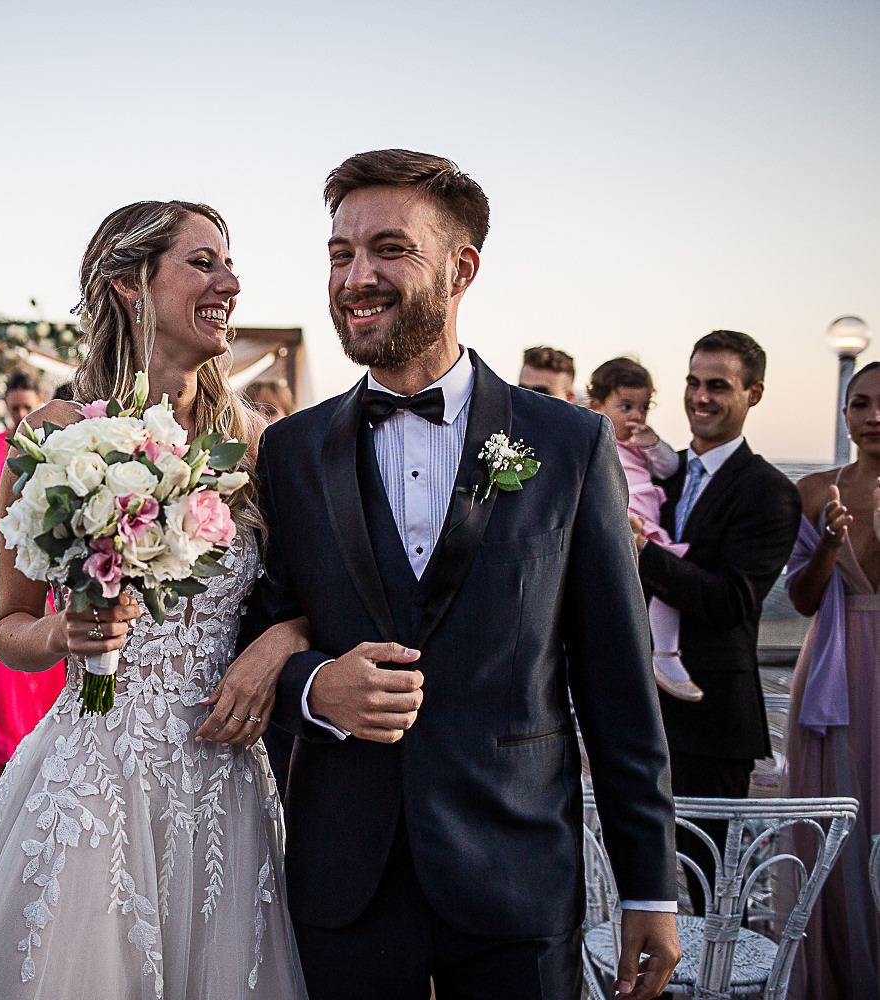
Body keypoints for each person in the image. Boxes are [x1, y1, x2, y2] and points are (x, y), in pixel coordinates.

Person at [244, 150, 679, 1000]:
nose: (355, 277)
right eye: (339, 253)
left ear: (461, 267)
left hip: (516, 873)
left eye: (388, 250)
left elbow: (618, 683)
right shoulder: (293, 451)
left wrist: (649, 887)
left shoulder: (568, 444)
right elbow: (260, 625)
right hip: (346, 880)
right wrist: (313, 686)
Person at [0, 200, 311, 999]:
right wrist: (62, 631)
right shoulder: (53, 433)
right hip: (99, 772)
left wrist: (284, 639)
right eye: (203, 262)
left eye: (229, 262)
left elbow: (314, 595)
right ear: (129, 283)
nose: (230, 281)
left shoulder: (256, 442)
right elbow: (8, 627)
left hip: (226, 774)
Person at [635, 329, 801, 916]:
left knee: (708, 893)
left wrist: (640, 554)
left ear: (753, 393)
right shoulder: (664, 474)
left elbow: (734, 599)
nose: (700, 397)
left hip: (712, 720)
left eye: (718, 386)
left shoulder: (770, 492)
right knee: (645, 884)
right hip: (642, 714)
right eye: (692, 382)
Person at [780, 360, 880, 999]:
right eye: (861, 403)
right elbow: (802, 599)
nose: (873, 416)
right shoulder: (816, 490)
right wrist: (827, 547)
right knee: (836, 827)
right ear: (845, 414)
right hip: (837, 670)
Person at [0, 368, 65, 768]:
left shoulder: (48, 436)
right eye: (14, 407)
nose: (20, 412)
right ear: (5, 406)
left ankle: (37, 738)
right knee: (2, 642)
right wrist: (7, 498)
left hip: (35, 542)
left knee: (42, 634)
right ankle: (5, 748)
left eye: (27, 406)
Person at [586, 357, 702, 700]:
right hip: (623, 515)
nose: (636, 416)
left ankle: (664, 653)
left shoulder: (642, 444)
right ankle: (641, 657)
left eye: (642, 408)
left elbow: (669, 468)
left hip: (647, 525)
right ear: (597, 406)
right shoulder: (593, 439)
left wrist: (652, 444)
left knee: (668, 582)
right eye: (625, 407)